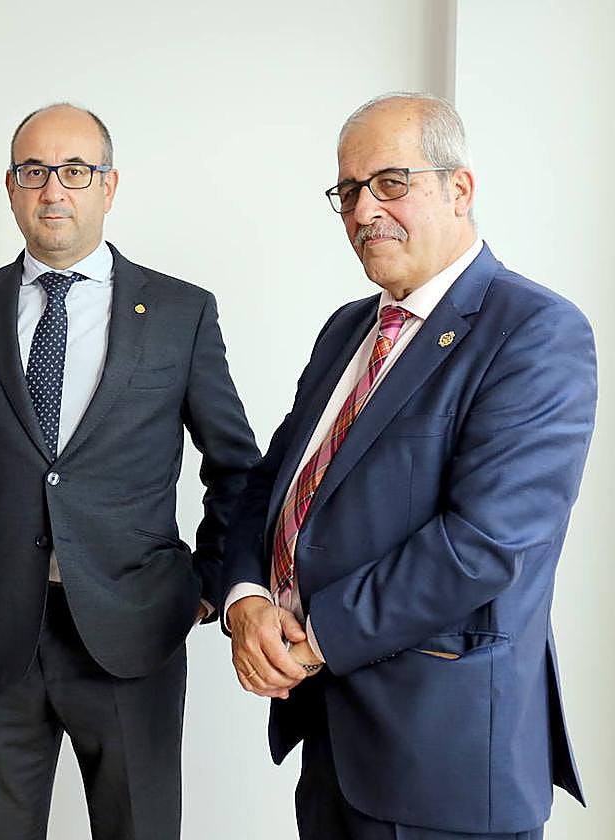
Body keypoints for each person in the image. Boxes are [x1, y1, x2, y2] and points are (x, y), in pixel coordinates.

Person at [0, 103, 258, 840]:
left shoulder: (180, 313)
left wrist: (205, 585)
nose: (54, 189)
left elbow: (237, 469)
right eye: (35, 172)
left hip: (135, 633)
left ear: (109, 187)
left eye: (76, 171)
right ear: (12, 186)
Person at [222, 92, 594, 839]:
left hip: (442, 764)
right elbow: (276, 483)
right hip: (331, 743)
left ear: (460, 190)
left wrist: (315, 634)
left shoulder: (535, 332)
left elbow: (485, 543)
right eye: (349, 191)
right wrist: (246, 599)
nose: (363, 210)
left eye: (391, 182)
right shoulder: (349, 328)